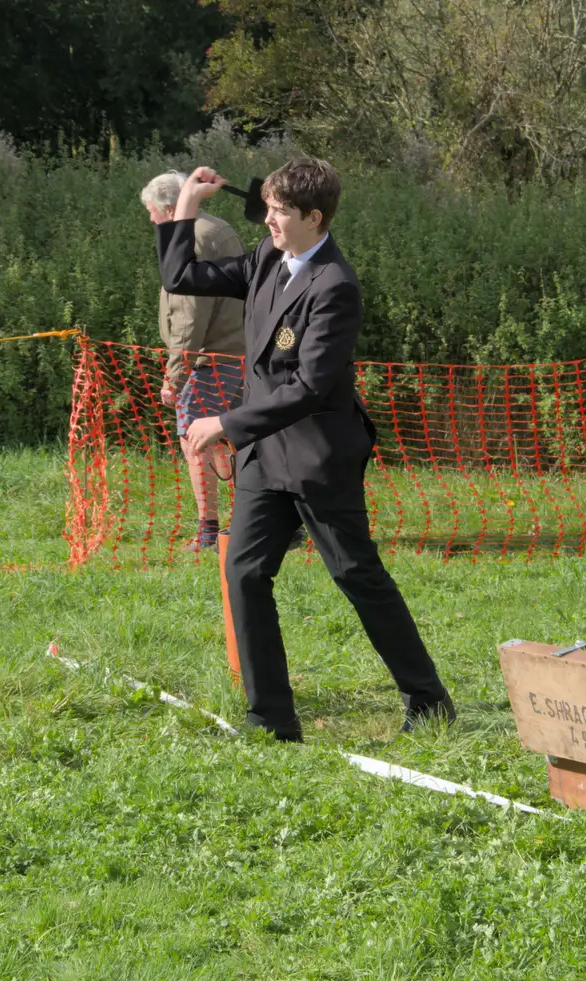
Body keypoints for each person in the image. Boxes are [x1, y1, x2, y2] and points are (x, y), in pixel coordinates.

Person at [158, 157, 453, 740]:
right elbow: (179, 278)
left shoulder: (335, 286)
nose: (267, 221)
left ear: (314, 218)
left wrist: (226, 421)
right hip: (263, 458)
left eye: (280, 212)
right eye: (266, 207)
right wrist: (187, 207)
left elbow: (311, 386)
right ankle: (270, 719)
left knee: (357, 575)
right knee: (243, 573)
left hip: (318, 457)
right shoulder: (268, 258)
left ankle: (429, 699)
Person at [140, 171, 245, 550]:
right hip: (236, 352)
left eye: (152, 212)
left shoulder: (196, 238)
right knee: (243, 439)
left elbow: (189, 316)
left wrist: (176, 376)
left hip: (211, 358)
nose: (151, 220)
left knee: (195, 437)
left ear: (170, 208)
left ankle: (210, 532)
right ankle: (275, 521)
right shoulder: (218, 228)